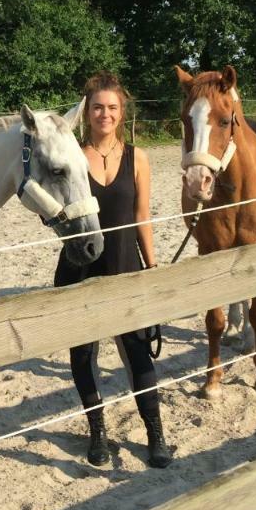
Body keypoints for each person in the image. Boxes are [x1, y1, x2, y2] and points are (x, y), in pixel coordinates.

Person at [54, 71, 171, 469]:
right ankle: (97, 431)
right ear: (87, 112)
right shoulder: (70, 153)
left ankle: (155, 432)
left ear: (122, 113)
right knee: (84, 353)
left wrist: (151, 267)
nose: (105, 114)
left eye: (112, 107)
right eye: (98, 107)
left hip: (124, 264)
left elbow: (142, 217)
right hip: (79, 268)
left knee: (138, 349)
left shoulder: (138, 157)